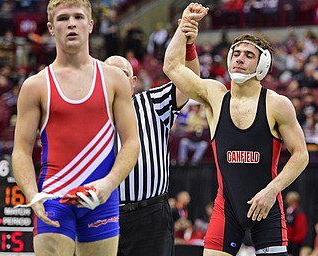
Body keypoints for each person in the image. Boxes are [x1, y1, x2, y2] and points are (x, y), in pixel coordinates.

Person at [163, 3, 309, 256]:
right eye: (236, 53)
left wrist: (272, 190)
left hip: (267, 206)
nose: (239, 58)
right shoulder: (215, 95)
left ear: (262, 65)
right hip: (226, 208)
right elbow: (172, 67)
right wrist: (184, 27)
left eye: (248, 55)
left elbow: (301, 154)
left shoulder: (276, 104)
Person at [11, 1, 139, 256]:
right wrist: (31, 194)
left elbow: (132, 142)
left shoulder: (114, 79)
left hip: (100, 197)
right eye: (63, 18)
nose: (71, 23)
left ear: (90, 25)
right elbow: (21, 151)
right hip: (53, 198)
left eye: (79, 17)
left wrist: (108, 184)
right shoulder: (35, 86)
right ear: (50, 28)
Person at [104, 17, 201, 256]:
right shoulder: (87, 113)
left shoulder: (152, 102)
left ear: (133, 82)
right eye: (109, 74)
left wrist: (188, 46)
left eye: (122, 74)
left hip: (149, 216)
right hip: (101, 215)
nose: (115, 79)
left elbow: (190, 82)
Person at [285, 191, 308, 256]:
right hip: (288, 240)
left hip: (295, 242)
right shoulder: (288, 210)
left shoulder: (298, 212)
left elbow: (301, 228)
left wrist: (296, 240)